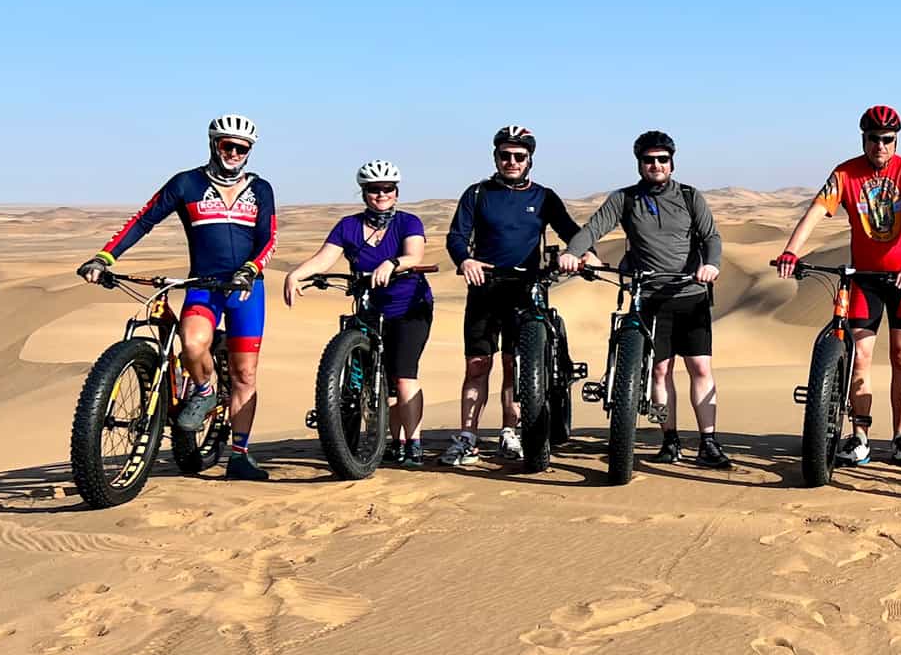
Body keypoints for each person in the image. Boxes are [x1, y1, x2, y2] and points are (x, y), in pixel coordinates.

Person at [77, 114, 276, 481]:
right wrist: (105, 257)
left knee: (245, 373)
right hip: (203, 284)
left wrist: (251, 269)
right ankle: (204, 389)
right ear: (214, 144)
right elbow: (143, 220)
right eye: (228, 145)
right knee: (192, 343)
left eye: (242, 148)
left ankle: (240, 455)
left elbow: (268, 239)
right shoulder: (187, 183)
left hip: (246, 289)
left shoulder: (260, 188)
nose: (234, 153)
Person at [560, 131, 731, 469]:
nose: (656, 165)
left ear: (672, 163)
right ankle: (670, 440)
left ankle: (708, 442)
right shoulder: (625, 199)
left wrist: (711, 265)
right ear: (639, 164)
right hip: (649, 297)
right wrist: (572, 252)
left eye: (662, 159)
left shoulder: (689, 196)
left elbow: (711, 235)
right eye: (648, 160)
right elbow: (593, 229)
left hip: (690, 294)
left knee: (699, 367)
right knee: (660, 371)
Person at [772, 105, 901, 467]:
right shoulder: (845, 173)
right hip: (865, 278)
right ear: (863, 139)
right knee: (860, 356)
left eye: (887, 139)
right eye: (874, 138)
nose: (880, 146)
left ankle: (900, 437)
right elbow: (816, 210)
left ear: (896, 141)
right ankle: (860, 437)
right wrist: (791, 251)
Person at [442, 125, 579, 468]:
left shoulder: (544, 197)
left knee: (515, 365)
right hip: (485, 289)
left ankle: (510, 431)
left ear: (530, 160)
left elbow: (569, 230)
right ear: (496, 157)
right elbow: (456, 236)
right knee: (477, 365)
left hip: (527, 290)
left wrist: (580, 253)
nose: (512, 161)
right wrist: (465, 260)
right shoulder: (478, 193)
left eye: (519, 156)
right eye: (505, 155)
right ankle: (468, 436)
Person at [283, 161, 433, 469]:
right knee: (382, 379)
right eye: (374, 189)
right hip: (370, 307)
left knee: (404, 374)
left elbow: (414, 255)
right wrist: (296, 275)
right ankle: (394, 443)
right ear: (364, 192)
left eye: (387, 189)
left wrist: (392, 263)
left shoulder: (408, 222)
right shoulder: (348, 226)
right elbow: (324, 258)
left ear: (396, 192)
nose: (381, 194)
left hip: (409, 306)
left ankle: (414, 444)